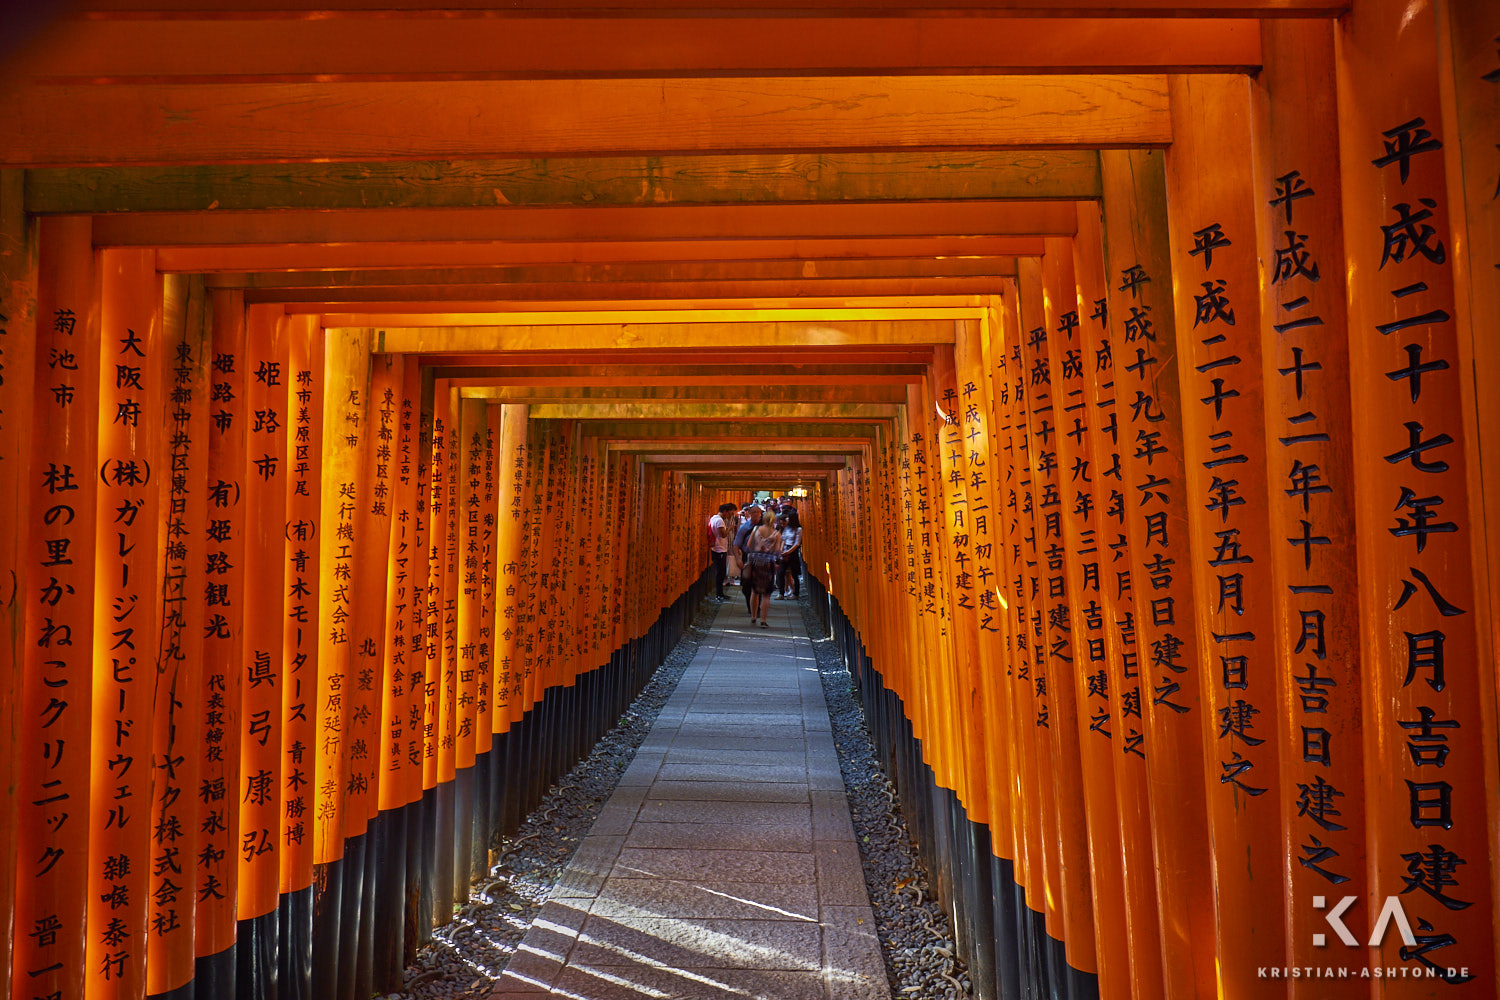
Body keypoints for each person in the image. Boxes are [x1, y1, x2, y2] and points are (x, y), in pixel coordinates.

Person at [745, 513, 783, 627]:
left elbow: (748, 545)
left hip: (755, 562)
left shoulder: (756, 529)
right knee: (766, 594)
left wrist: (757, 549)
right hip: (768, 563)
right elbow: (777, 550)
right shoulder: (777, 534)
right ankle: (763, 620)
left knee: (754, 591)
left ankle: (753, 617)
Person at [734, 503, 761, 615]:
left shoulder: (764, 527)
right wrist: (738, 560)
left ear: (760, 514)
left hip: (761, 558)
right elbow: (736, 545)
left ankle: (756, 608)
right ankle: (751, 606)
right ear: (749, 513)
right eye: (753, 512)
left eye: (757, 512)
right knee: (746, 585)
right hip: (747, 557)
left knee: (759, 584)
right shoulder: (744, 528)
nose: (755, 514)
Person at [708, 502, 735, 599]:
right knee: (721, 573)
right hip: (719, 550)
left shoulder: (713, 518)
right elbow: (723, 534)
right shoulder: (719, 521)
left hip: (716, 548)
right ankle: (719, 594)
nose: (729, 516)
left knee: (720, 572)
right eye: (729, 514)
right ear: (725, 512)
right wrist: (730, 529)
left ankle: (719, 594)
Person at [776, 509, 803, 599]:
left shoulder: (798, 529)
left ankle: (795, 593)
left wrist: (788, 552)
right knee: (781, 572)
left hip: (793, 552)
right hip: (784, 550)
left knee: (794, 573)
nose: (786, 519)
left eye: (788, 518)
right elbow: (783, 538)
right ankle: (781, 593)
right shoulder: (786, 528)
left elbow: (797, 543)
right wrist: (781, 550)